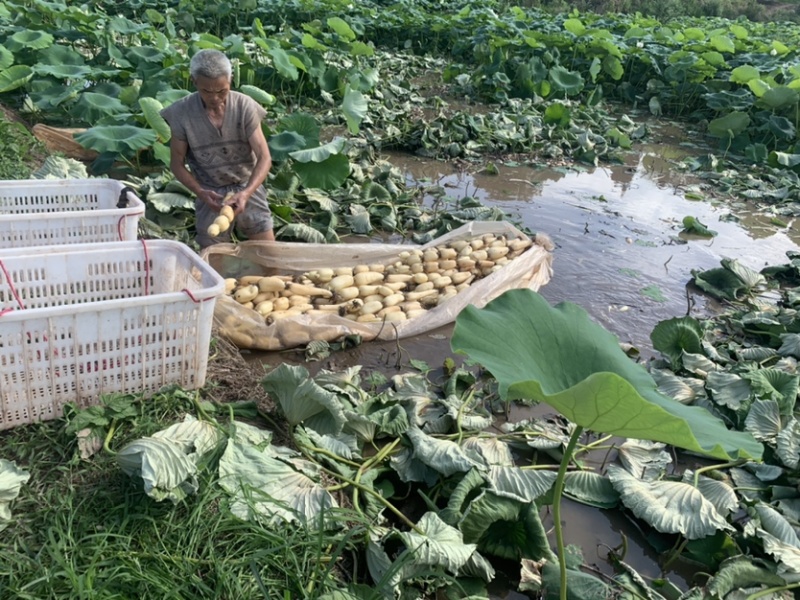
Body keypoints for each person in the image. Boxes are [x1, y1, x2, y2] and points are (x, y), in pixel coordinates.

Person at [160, 49, 275, 248]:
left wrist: (247, 193)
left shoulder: (244, 106)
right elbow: (177, 164)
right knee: (213, 254)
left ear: (230, 79)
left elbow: (264, 157)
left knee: (268, 251)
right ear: (194, 81)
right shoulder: (180, 113)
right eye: (206, 91)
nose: (214, 98)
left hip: (246, 184)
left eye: (222, 91)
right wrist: (200, 192)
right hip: (210, 190)